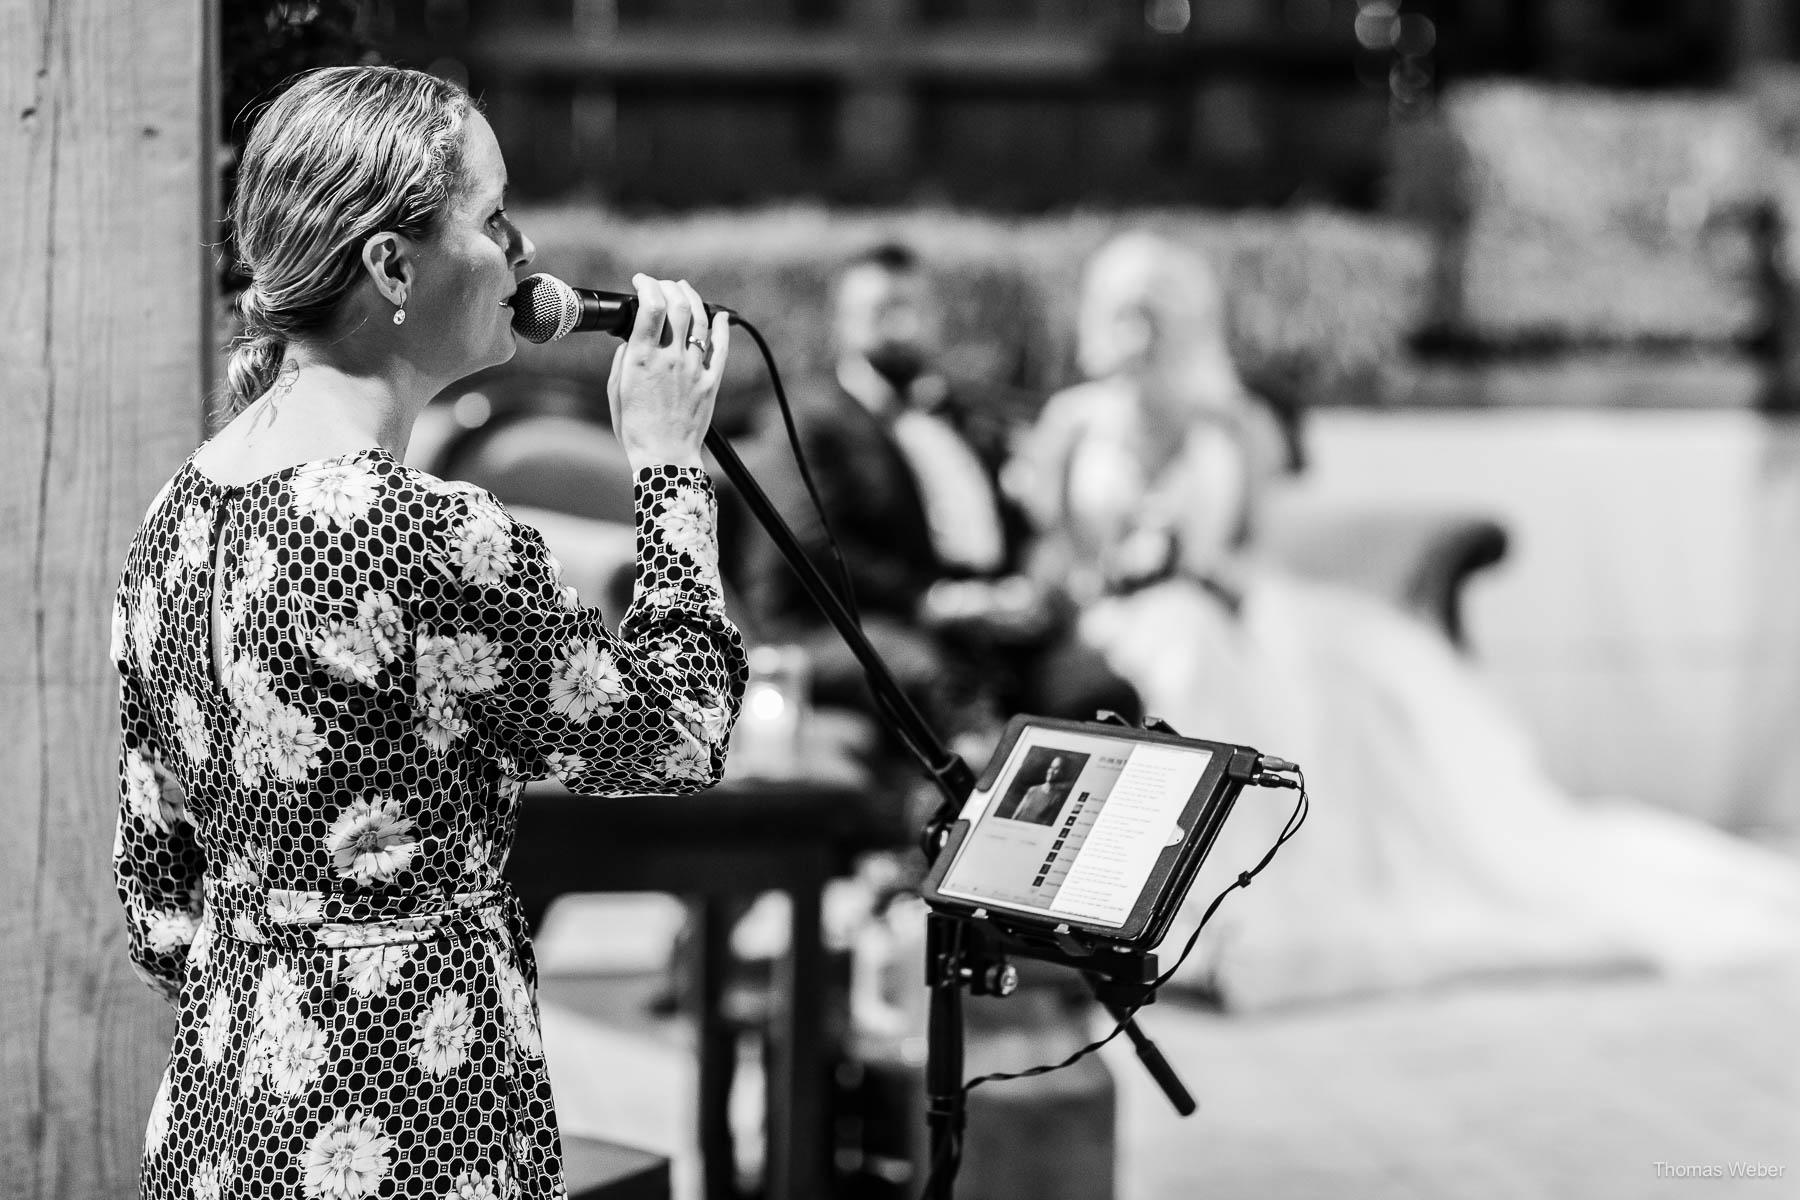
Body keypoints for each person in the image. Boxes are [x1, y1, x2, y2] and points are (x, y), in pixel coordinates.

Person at [110, 66, 746, 1199]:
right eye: (492, 215)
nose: (524, 244)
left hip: (219, 1126)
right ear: (392, 265)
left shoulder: (182, 508)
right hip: (414, 1124)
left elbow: (159, 903)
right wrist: (668, 468)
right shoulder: (414, 530)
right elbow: (681, 736)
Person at [1008, 230, 1800, 1011]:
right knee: (1175, 648)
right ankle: (1143, 901)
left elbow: (1255, 547)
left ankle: (1216, 906)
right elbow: (1049, 554)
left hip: (1218, 611)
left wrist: (1205, 575)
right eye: (1123, 312)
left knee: (1230, 653)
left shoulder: (1236, 423)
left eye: (1152, 314)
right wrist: (1107, 577)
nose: (1137, 332)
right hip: (1119, 619)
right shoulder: (1073, 422)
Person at [735, 241, 1135, 749]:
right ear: (842, 322)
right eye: (882, 311)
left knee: (1101, 694)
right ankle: (964, 810)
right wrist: (929, 600)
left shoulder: (962, 418)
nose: (901, 326)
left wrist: (1027, 585)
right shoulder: (804, 418)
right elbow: (809, 543)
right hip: (848, 622)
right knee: (933, 678)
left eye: (912, 309)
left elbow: (1017, 522)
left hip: (980, 612)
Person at [1004, 755, 1074, 825]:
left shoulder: (1058, 797)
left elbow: (1047, 821)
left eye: (1056, 769)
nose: (1051, 771)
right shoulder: (1033, 790)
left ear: (1062, 773)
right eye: (1051, 767)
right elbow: (1018, 811)